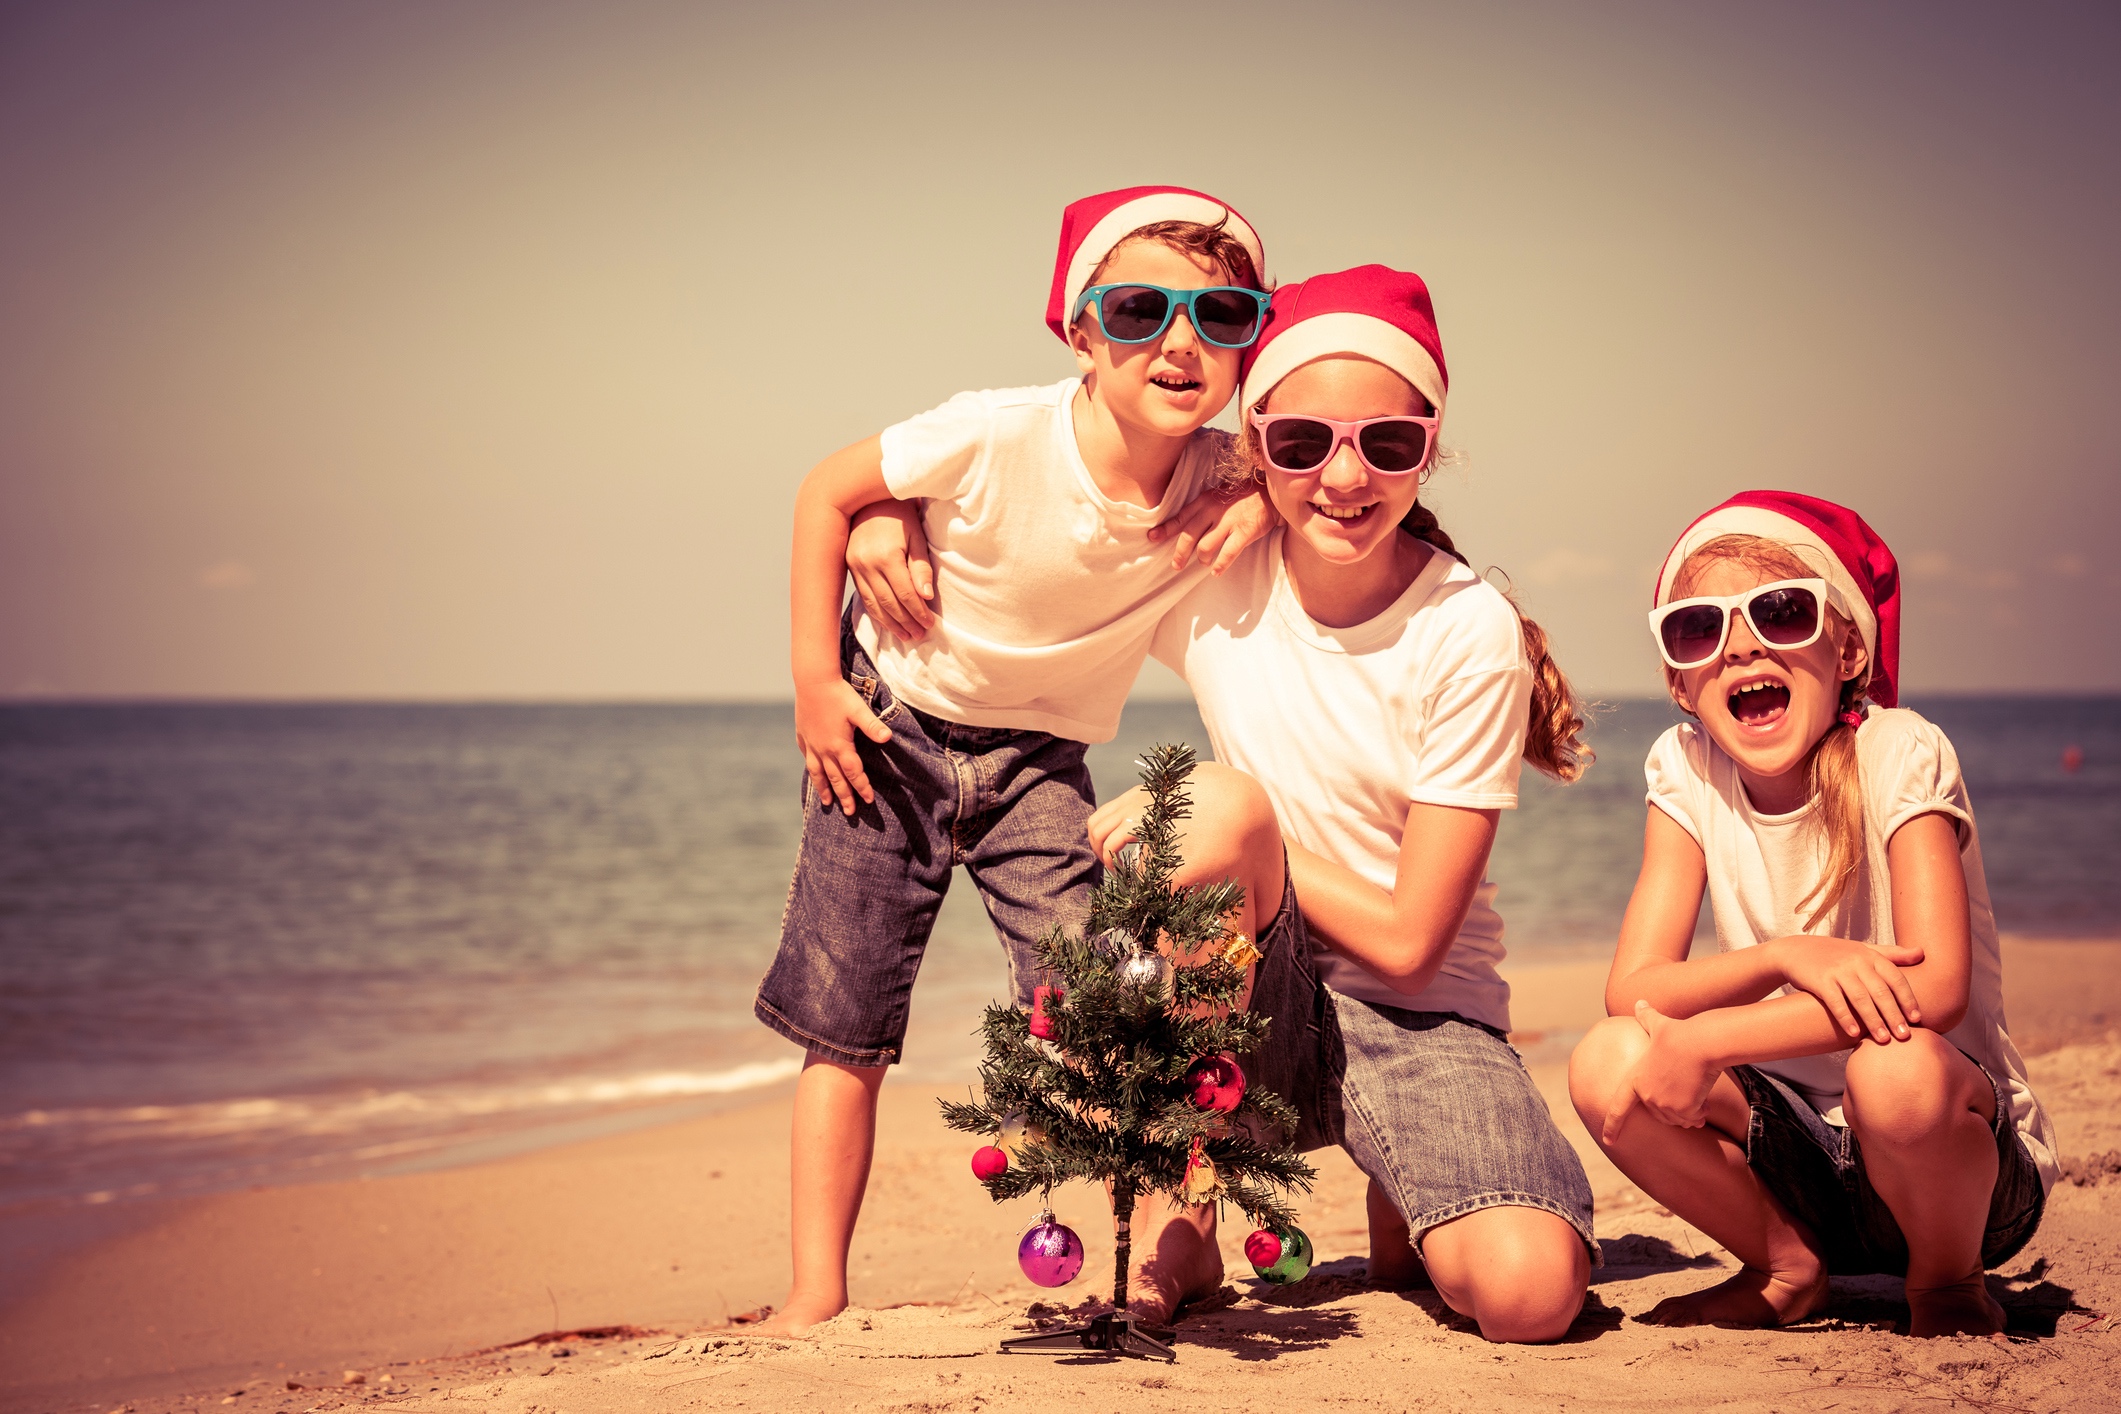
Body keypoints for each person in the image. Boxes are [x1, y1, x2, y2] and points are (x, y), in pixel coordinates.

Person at [972, 264, 1595, 1342]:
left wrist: (1254, 830)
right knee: (1210, 815)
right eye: (1303, 443)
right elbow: (1028, 550)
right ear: (1256, 444)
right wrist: (878, 520)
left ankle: (1401, 1185)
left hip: (1420, 1013)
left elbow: (1409, 942)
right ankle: (1191, 1210)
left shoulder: (1468, 628)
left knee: (1530, 1299)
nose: (1344, 475)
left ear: (1429, 444)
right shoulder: (1219, 569)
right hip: (1247, 991)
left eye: (1385, 444)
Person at [753, 186, 1279, 1334]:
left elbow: (1344, 478)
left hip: (1040, 762)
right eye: (1142, 309)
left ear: (1250, 339)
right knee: (844, 1019)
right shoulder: (994, 430)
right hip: (886, 732)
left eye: (1222, 314)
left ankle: (1164, 1249)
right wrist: (814, 682)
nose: (1181, 341)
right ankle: (814, 1291)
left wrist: (1268, 504)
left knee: (1092, 997)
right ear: (1079, 331)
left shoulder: (1237, 473)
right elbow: (822, 492)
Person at [1565, 492, 2057, 1337]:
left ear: (1848, 647)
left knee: (1891, 1071)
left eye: (1781, 612)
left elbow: (1934, 991)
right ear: (1678, 681)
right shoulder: (1684, 768)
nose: (1742, 645)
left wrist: (1713, 1036)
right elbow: (1633, 990)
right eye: (1697, 629)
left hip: (1955, 1172)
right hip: (1797, 1166)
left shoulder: (1898, 750)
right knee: (1606, 1060)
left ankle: (1943, 1283)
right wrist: (1784, 956)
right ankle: (1785, 1268)